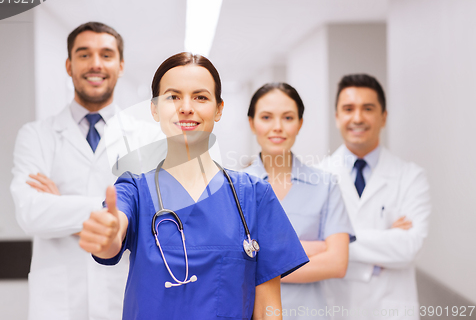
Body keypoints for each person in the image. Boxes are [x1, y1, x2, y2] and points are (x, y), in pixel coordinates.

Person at [78, 52, 309, 320]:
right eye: (172, 97)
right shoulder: (135, 191)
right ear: (154, 109)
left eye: (200, 97)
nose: (186, 107)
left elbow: (269, 311)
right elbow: (113, 235)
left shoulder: (255, 195)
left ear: (219, 109)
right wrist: (108, 236)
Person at [10, 22, 164, 320]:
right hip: (58, 303)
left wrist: (59, 203)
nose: (95, 64)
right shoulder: (36, 135)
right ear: (69, 65)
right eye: (84, 55)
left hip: (123, 296)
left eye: (106, 55)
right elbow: (30, 212)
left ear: (120, 66)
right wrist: (118, 210)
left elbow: (153, 218)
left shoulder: (148, 137)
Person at [321, 74, 431, 320]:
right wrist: (387, 237)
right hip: (335, 308)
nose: (357, 118)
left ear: (383, 116)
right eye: (348, 109)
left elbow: (409, 247)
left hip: (391, 311)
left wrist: (334, 243)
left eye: (368, 109)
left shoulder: (410, 177)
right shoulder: (317, 176)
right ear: (337, 117)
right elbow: (306, 248)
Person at [243, 83, 355, 319]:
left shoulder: (325, 185)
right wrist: (308, 250)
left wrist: (259, 260)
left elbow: (337, 263)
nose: (277, 127)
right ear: (252, 123)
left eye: (288, 117)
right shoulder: (234, 188)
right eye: (266, 117)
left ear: (300, 123)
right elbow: (227, 264)